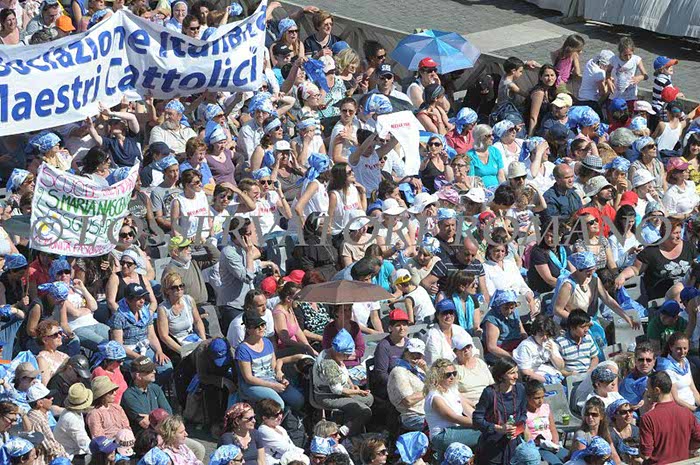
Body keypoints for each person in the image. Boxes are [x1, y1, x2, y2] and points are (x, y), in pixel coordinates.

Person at [235, 312, 304, 412]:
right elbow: (248, 378)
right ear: (249, 329)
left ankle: (288, 416)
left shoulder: (267, 343)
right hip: (253, 385)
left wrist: (281, 377)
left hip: (271, 379)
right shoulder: (243, 349)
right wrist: (273, 386)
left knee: (298, 400)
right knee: (278, 405)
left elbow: (274, 366)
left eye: (263, 325)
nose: (261, 328)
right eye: (257, 327)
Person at [615, 219, 695, 302]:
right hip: (659, 299)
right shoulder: (651, 251)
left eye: (680, 232)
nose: (679, 236)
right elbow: (635, 269)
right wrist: (622, 276)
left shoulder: (689, 247)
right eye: (675, 233)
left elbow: (695, 266)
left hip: (687, 295)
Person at [312, 329, 374, 436]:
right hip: (328, 396)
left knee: (369, 399)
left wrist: (352, 385)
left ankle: (350, 420)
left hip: (340, 390)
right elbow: (337, 390)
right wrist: (358, 392)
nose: (348, 358)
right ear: (338, 351)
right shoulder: (329, 364)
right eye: (346, 355)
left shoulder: (333, 353)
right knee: (365, 411)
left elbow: (343, 371)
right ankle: (343, 433)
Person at [109, 283, 172, 383]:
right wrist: (139, 357)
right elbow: (119, 346)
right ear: (129, 300)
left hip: (145, 348)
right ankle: (144, 389)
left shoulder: (145, 312)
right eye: (138, 298)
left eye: (143, 297)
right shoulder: (119, 316)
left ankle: (155, 389)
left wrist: (159, 351)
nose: (142, 301)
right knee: (146, 371)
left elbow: (151, 336)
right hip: (129, 353)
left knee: (166, 367)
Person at [473, 357, 529, 465]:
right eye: (511, 373)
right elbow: (477, 420)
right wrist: (499, 428)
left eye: (516, 372)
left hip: (514, 445)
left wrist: (517, 428)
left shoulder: (520, 389)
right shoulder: (489, 393)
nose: (516, 376)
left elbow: (523, 414)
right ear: (501, 375)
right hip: (492, 446)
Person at [639, 370, 700, 464]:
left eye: (648, 388)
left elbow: (646, 454)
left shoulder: (647, 418)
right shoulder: (687, 413)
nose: (647, 391)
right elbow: (697, 438)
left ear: (657, 390)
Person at [423, 358, 480, 457]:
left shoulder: (452, 390)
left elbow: (470, 408)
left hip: (455, 431)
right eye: (448, 375)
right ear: (438, 375)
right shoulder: (435, 396)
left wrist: (485, 417)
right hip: (442, 435)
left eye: (454, 373)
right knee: (484, 433)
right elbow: (454, 418)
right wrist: (481, 423)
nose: (452, 377)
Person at [156, 271, 206, 356]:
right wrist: (182, 351)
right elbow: (164, 336)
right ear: (167, 291)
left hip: (193, 338)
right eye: (174, 287)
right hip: (177, 344)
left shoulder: (189, 300)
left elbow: (197, 321)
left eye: (181, 286)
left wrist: (203, 341)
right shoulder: (163, 309)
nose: (179, 289)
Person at [121, 356, 172, 435]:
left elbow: (168, 413)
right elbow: (146, 423)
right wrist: (160, 417)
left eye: (153, 369)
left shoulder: (155, 388)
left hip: (163, 433)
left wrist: (153, 418)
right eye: (149, 370)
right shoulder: (129, 396)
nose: (154, 371)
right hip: (145, 437)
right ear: (138, 376)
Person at [657, 331, 700, 420]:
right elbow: (675, 399)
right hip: (681, 411)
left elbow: (693, 389)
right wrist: (695, 410)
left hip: (693, 407)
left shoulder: (685, 361)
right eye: (678, 349)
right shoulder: (667, 368)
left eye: (685, 348)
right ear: (671, 347)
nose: (682, 352)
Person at [387, 338, 427, 431]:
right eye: (412, 353)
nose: (415, 357)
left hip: (429, 412)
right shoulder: (399, 371)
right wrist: (429, 390)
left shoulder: (419, 370)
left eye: (419, 354)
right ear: (405, 352)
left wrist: (426, 369)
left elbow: (437, 384)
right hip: (414, 416)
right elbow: (408, 401)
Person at [525, 380, 567, 465]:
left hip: (551, 444)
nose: (541, 401)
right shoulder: (524, 413)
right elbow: (527, 437)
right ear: (528, 397)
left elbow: (552, 428)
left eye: (542, 397)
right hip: (538, 447)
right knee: (555, 463)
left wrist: (555, 443)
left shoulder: (545, 408)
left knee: (572, 457)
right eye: (537, 398)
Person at [513, 314, 565, 383]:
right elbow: (525, 372)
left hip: (551, 375)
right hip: (535, 381)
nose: (545, 338)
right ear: (534, 332)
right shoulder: (525, 347)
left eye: (547, 335)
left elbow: (561, 366)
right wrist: (546, 380)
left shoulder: (550, 343)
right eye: (541, 335)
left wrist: (552, 355)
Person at [371, 309, 408, 400]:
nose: (402, 328)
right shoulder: (384, 346)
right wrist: (398, 384)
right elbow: (381, 374)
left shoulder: (410, 344)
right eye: (398, 325)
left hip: (408, 383)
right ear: (390, 328)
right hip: (389, 387)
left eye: (404, 324)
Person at [25, 383, 67, 464]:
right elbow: (51, 447)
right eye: (48, 397)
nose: (52, 398)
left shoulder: (31, 413)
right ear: (40, 403)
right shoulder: (40, 419)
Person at [481, 289, 527, 364]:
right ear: (499, 306)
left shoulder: (514, 312)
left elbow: (522, 332)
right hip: (500, 354)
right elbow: (492, 347)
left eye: (512, 308)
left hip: (517, 349)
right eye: (505, 308)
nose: (509, 311)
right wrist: (513, 356)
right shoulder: (492, 320)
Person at [256, 399, 304, 465]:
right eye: (276, 415)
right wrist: (303, 455)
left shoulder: (280, 428)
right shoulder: (263, 431)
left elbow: (291, 446)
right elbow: (286, 449)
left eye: (281, 412)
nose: (280, 417)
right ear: (264, 418)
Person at [424, 299, 470, 366]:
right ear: (437, 315)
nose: (448, 316)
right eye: (445, 313)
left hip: (466, 367)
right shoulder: (432, 335)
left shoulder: (460, 330)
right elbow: (434, 363)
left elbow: (474, 351)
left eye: (451, 312)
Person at [53, 383, 92, 461]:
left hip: (75, 451)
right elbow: (84, 443)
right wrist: (100, 454)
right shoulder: (71, 419)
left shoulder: (73, 412)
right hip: (70, 456)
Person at [554, 309, 599, 375]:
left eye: (588, 326)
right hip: (571, 377)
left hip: (588, 375)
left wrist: (591, 369)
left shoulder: (588, 338)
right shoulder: (560, 342)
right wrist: (569, 374)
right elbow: (557, 367)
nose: (586, 329)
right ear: (572, 327)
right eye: (583, 327)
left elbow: (594, 357)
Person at [619, 342, 655, 408]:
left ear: (654, 362)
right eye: (641, 360)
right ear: (635, 361)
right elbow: (630, 408)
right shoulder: (627, 383)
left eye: (648, 360)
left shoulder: (662, 378)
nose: (644, 363)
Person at [467, 124, 505, 189]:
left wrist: (504, 190)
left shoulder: (495, 152)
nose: (492, 138)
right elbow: (471, 180)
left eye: (492, 135)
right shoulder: (470, 155)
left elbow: (501, 176)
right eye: (489, 136)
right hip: (480, 190)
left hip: (497, 190)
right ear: (480, 137)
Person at [35, 319, 70, 386]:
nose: (60, 336)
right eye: (55, 335)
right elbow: (46, 384)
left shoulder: (64, 355)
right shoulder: (42, 358)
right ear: (45, 340)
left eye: (60, 333)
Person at [607, 399, 641, 465]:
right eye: (623, 412)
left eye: (630, 411)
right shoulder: (609, 433)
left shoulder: (636, 430)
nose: (628, 414)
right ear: (614, 415)